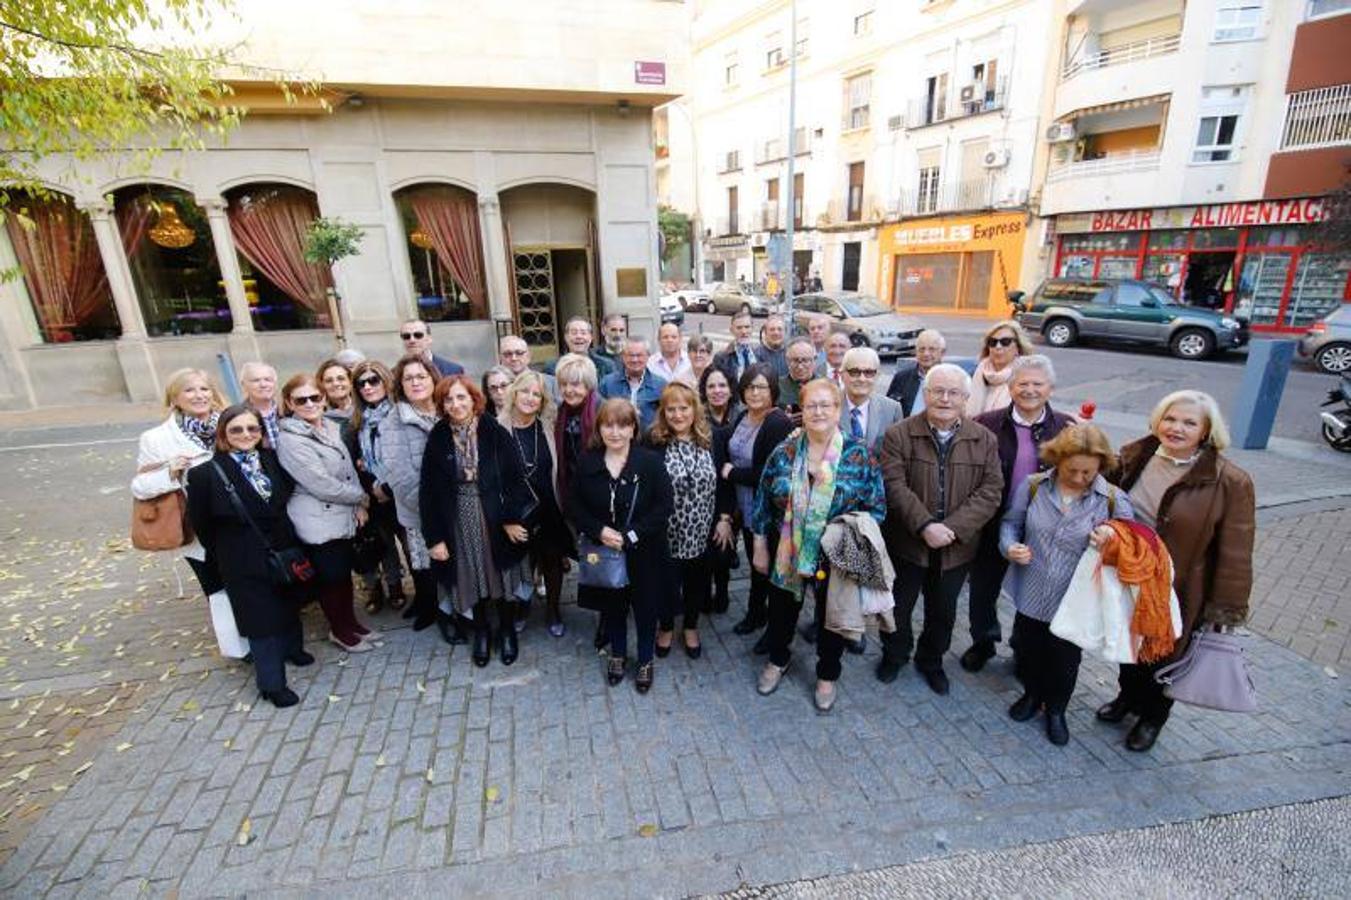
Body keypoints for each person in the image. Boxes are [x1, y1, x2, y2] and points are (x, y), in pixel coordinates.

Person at [1100, 390, 1255, 752]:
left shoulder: (1230, 481)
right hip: (1131, 575)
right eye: (1170, 419)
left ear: (1206, 431)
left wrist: (1224, 608)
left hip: (1182, 587)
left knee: (1164, 656)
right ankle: (1128, 698)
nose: (1176, 428)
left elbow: (1236, 551)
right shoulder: (1135, 455)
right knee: (1130, 647)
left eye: (1189, 422)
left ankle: (1153, 716)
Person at [751, 379, 886, 712]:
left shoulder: (858, 454)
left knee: (831, 618)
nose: (818, 411)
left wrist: (849, 534)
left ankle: (827, 674)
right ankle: (778, 659)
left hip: (836, 556)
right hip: (788, 551)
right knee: (782, 611)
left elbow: (877, 508)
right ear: (801, 409)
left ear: (838, 410)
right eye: (811, 405)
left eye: (826, 404)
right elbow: (761, 500)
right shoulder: (784, 451)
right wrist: (758, 544)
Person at [1000, 425, 1133, 745]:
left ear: (1101, 466)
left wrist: (1111, 540)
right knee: (1029, 649)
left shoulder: (1112, 499)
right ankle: (1032, 696)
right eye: (1071, 470)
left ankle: (1057, 709)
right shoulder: (1033, 487)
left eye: (1088, 472)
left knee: (1064, 659)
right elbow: (1010, 524)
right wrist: (1010, 548)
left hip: (1076, 598)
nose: (1078, 478)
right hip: (1032, 588)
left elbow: (1132, 546)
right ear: (1057, 459)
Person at [877, 363, 1004, 696]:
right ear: (926, 394)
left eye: (953, 393)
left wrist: (951, 529)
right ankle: (895, 655)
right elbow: (894, 485)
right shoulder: (899, 434)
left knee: (943, 612)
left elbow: (991, 491)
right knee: (897, 608)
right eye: (937, 391)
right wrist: (924, 525)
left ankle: (930, 661)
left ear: (965, 398)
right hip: (907, 543)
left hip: (956, 548)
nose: (945, 399)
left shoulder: (984, 439)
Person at [187, 406, 311, 707]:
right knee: (260, 620)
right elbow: (201, 523)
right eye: (237, 430)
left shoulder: (270, 460)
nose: (246, 435)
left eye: (252, 429)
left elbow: (285, 497)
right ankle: (271, 683)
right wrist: (225, 557)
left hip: (282, 547)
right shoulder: (204, 474)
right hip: (241, 557)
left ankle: (293, 648)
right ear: (223, 435)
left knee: (288, 600)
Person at [963, 355, 1075, 673]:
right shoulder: (986, 423)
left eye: (1037, 384)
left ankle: (1022, 647)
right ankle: (983, 641)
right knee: (984, 589)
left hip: (1043, 527)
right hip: (991, 520)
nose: (1029, 390)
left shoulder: (1065, 428)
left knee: (1033, 592)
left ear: (1050, 388)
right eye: (1022, 383)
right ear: (1010, 387)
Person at [420, 375, 534, 667]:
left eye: (461, 397)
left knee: (501, 573)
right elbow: (428, 492)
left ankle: (507, 630)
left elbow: (516, 479)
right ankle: (482, 630)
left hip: (495, 517)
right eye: (449, 399)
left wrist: (510, 519)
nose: (456, 404)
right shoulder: (438, 437)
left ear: (474, 399)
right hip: (458, 516)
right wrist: (434, 538)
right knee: (472, 572)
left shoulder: (494, 431)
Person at [568, 399, 674, 694]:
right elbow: (574, 505)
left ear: (633, 429)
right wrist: (598, 531)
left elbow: (664, 506)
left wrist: (631, 535)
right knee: (613, 605)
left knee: (645, 606)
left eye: (622, 425)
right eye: (608, 425)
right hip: (604, 552)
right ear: (599, 428)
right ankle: (617, 653)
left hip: (645, 551)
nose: (614, 432)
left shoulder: (649, 462)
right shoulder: (588, 461)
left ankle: (644, 659)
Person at [276, 373, 373, 653]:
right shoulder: (291, 439)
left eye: (315, 397)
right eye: (301, 399)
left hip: (341, 511)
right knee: (330, 577)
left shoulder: (329, 426)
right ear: (289, 403)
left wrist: (357, 504)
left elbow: (348, 470)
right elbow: (321, 483)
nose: (309, 403)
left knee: (342, 575)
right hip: (317, 517)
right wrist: (362, 497)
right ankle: (340, 631)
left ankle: (351, 623)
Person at [649, 383, 731, 659]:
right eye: (671, 409)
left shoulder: (713, 439)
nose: (677, 415)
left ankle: (691, 626)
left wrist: (723, 518)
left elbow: (724, 483)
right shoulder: (653, 441)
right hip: (666, 531)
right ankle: (667, 626)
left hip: (703, 529)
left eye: (683, 408)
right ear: (663, 412)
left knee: (697, 581)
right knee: (666, 582)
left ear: (695, 409)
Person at [130, 368, 228, 597]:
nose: (199, 395)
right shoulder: (155, 438)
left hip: (239, 522)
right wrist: (169, 475)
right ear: (174, 398)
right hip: (197, 528)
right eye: (189, 390)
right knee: (218, 592)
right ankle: (231, 634)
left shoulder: (234, 423)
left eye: (204, 389)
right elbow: (140, 486)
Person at [717, 364, 794, 649]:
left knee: (771, 569)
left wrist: (731, 473)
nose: (754, 392)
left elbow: (769, 473)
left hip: (768, 513)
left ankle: (772, 627)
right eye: (749, 387)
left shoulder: (777, 423)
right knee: (756, 563)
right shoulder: (743, 417)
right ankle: (756, 613)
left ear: (773, 390)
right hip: (744, 507)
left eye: (761, 387)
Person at [381, 355, 455, 641]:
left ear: (432, 377)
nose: (415, 382)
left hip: (454, 507)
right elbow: (400, 476)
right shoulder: (394, 421)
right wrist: (433, 512)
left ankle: (452, 610)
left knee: (451, 564)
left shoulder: (446, 410)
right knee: (428, 566)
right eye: (408, 378)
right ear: (400, 385)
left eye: (421, 376)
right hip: (419, 510)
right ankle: (439, 614)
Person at [499, 370, 574, 638]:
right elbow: (491, 481)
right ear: (514, 393)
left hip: (548, 508)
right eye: (525, 391)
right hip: (516, 514)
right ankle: (522, 607)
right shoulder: (498, 428)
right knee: (522, 564)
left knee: (552, 561)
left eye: (537, 395)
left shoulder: (548, 425)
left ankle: (554, 609)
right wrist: (506, 520)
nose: (530, 398)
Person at [348, 360, 407, 614]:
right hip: (373, 495)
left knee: (411, 548)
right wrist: (370, 485)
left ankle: (427, 597)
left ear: (386, 382)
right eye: (362, 383)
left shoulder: (401, 413)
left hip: (399, 493)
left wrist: (386, 486)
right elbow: (355, 460)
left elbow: (406, 456)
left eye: (374, 380)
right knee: (382, 545)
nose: (368, 387)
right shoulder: (358, 422)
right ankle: (391, 588)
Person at [700, 365, 741, 613]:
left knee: (724, 549)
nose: (717, 391)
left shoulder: (741, 417)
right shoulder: (696, 418)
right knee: (705, 553)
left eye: (722, 385)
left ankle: (723, 592)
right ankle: (703, 596)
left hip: (733, 496)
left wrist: (726, 515)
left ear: (731, 388)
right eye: (711, 386)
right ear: (704, 391)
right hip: (704, 498)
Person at [839, 346, 903, 453]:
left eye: (868, 373)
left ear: (877, 376)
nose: (862, 379)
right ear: (842, 375)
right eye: (854, 372)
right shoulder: (827, 406)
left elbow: (897, 454)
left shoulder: (892, 410)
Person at [598, 337, 667, 431]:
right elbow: (599, 415)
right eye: (630, 355)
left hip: (649, 442)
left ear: (648, 356)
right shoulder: (607, 383)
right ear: (623, 356)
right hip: (616, 439)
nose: (635, 360)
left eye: (639, 355)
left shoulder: (660, 385)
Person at [967, 320, 1033, 417]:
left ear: (1018, 347)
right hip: (975, 430)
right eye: (993, 342)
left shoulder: (1027, 378)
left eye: (1005, 342)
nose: (998, 347)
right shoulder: (976, 373)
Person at [887, 329, 947, 416]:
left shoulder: (951, 381)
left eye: (932, 349)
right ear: (915, 352)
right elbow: (888, 411)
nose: (926, 354)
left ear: (942, 353)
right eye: (921, 349)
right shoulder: (901, 378)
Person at [544, 316, 617, 379]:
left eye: (583, 333)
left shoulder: (606, 366)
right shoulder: (552, 367)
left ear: (590, 337)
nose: (579, 336)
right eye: (574, 333)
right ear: (566, 337)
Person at [500, 335, 558, 400]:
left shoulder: (551, 383)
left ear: (528, 356)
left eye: (519, 353)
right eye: (508, 354)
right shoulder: (496, 387)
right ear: (501, 358)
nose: (514, 358)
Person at [399, 318, 464, 377]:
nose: (412, 340)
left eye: (418, 335)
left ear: (429, 339)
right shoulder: (395, 374)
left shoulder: (452, 371)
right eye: (406, 336)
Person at [239, 362, 281, 447]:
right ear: (243, 385)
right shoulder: (238, 417)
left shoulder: (288, 411)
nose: (263, 385)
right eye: (256, 380)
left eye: (268, 380)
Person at [713, 310, 761, 384]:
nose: (744, 331)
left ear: (752, 329)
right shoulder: (722, 358)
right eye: (739, 328)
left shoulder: (759, 354)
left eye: (747, 327)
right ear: (732, 330)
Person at [778, 338, 819, 413]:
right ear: (787, 361)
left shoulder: (826, 387)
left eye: (805, 360)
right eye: (795, 360)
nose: (800, 366)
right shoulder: (777, 386)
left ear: (815, 360)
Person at [317, 358, 356, 426]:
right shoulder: (316, 414)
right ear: (321, 385)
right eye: (329, 381)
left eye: (341, 378)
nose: (335, 384)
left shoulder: (364, 410)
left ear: (350, 382)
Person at [756, 314, 789, 379]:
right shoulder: (756, 355)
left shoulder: (792, 353)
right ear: (765, 333)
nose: (776, 333)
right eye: (772, 329)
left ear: (785, 332)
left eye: (779, 329)